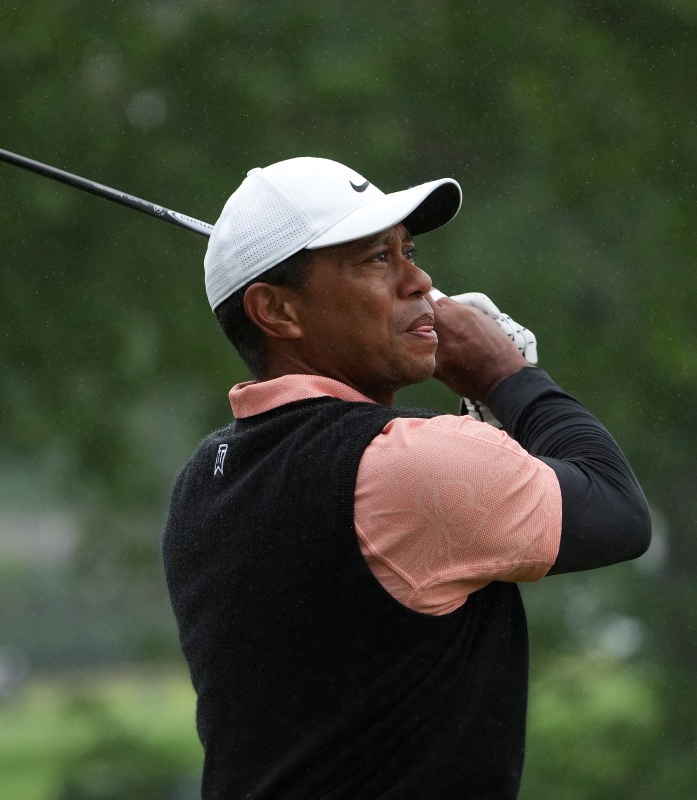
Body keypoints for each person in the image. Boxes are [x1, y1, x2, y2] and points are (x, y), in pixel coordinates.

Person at [161, 156, 651, 799]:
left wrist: (487, 415)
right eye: (376, 259)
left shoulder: (204, 480)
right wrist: (507, 378)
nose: (419, 280)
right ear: (277, 310)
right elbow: (617, 511)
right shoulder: (406, 462)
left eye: (408, 252)